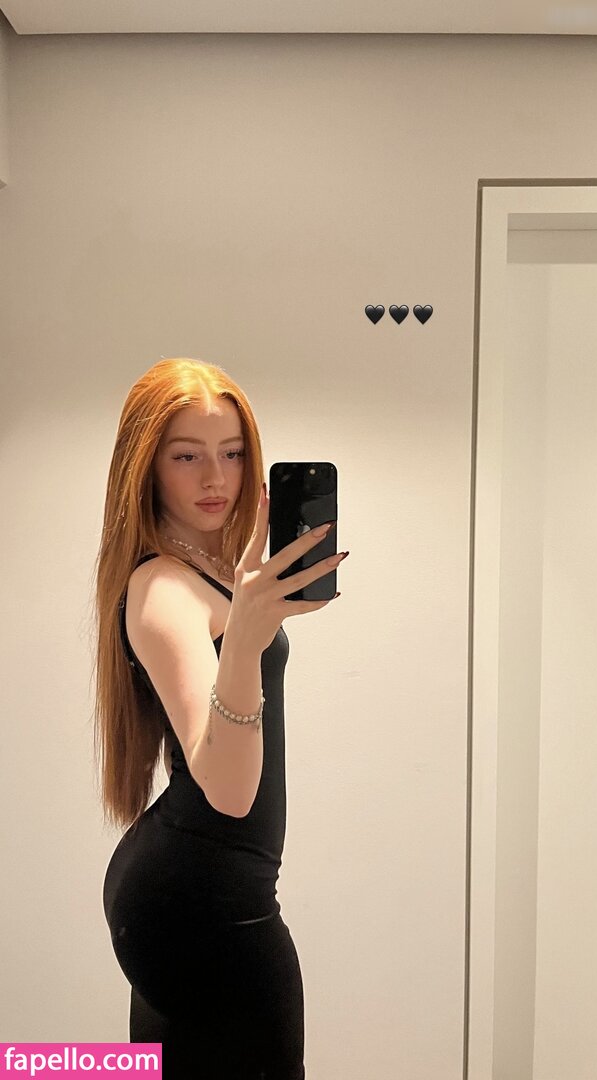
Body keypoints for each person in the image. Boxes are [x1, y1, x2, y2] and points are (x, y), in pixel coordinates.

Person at [96, 357, 345, 1078]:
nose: (215, 478)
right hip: (205, 905)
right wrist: (243, 641)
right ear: (147, 468)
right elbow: (230, 793)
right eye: (187, 457)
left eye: (232, 454)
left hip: (194, 892)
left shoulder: (206, 572)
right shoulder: (164, 590)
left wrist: (247, 623)